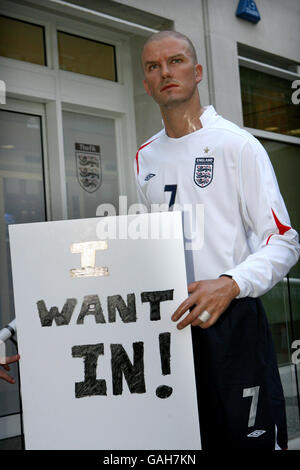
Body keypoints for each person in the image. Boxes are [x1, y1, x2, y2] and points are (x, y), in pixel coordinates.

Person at [135, 30, 300, 450]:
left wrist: (229, 283)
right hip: (172, 327)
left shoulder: (237, 144)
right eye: (154, 66)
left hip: (234, 325)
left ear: (198, 71)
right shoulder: (145, 157)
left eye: (175, 61)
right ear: (146, 82)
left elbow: (283, 241)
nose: (165, 72)